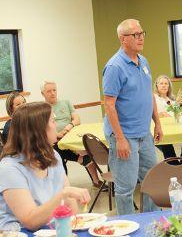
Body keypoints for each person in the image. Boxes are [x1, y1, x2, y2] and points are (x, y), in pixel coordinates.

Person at [101, 18, 162, 215]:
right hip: (124, 135)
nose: (141, 38)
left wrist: (157, 123)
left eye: (142, 33)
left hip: (144, 134)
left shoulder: (144, 61)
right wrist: (119, 139)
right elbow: (109, 105)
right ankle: (126, 227)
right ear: (123, 39)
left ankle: (151, 223)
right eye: (135, 35)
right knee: (125, 188)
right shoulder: (115, 67)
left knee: (151, 181)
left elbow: (148, 94)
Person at [0, 102, 90, 232]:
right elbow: (30, 221)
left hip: (51, 228)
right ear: (38, 131)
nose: (57, 126)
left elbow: (71, 209)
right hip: (20, 232)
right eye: (53, 121)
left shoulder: (53, 155)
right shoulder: (9, 168)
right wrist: (62, 196)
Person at [152, 75, 182, 161]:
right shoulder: (154, 97)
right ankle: (173, 164)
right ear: (157, 85)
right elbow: (156, 114)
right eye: (161, 83)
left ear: (169, 86)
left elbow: (177, 114)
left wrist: (179, 106)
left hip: (173, 127)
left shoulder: (172, 99)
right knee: (167, 145)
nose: (163, 85)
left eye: (166, 84)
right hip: (160, 129)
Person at [41, 82, 81, 169]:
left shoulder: (66, 102)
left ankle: (95, 179)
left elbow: (77, 119)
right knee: (56, 151)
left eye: (54, 90)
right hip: (56, 139)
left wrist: (68, 127)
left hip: (71, 134)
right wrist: (58, 135)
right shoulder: (42, 109)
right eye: (49, 91)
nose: (53, 93)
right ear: (42, 94)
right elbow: (44, 129)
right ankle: (78, 159)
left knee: (87, 146)